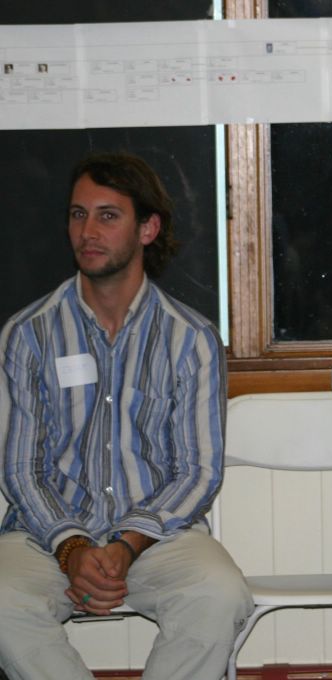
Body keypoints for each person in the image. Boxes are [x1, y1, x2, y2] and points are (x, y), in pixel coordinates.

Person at [0, 152, 253, 680]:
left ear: (148, 228)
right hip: (47, 536)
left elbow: (198, 472)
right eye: (78, 214)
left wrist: (127, 543)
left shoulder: (191, 338)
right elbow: (22, 469)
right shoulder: (28, 334)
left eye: (108, 216)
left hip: (158, 537)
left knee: (219, 593)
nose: (88, 231)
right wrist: (72, 546)